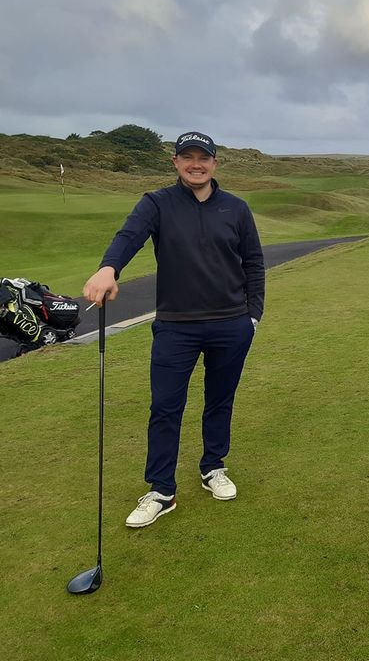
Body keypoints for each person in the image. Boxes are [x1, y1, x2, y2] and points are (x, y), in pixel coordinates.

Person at [83, 131, 265, 528]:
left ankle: (213, 467)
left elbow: (253, 263)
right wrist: (108, 268)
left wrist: (253, 315)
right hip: (176, 326)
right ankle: (161, 489)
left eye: (203, 157)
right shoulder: (157, 203)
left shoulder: (236, 208)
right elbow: (129, 237)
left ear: (215, 163)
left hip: (230, 323)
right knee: (165, 407)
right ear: (176, 162)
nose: (196, 164)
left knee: (220, 400)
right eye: (188, 157)